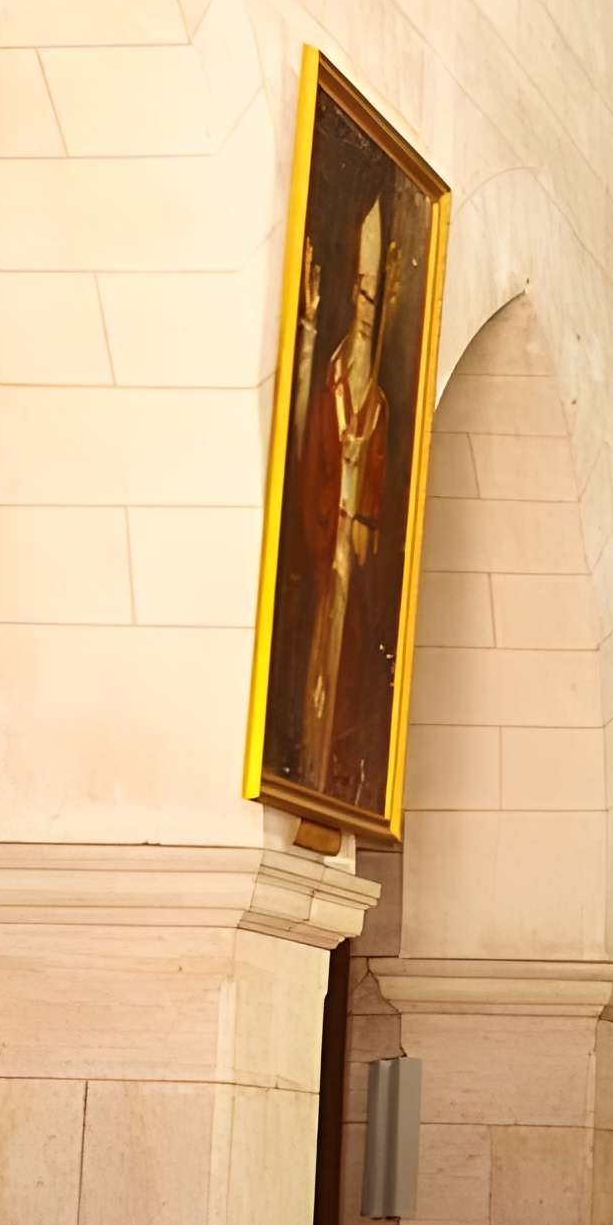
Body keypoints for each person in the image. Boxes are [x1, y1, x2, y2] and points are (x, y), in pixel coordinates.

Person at [287, 198, 400, 808]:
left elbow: (376, 523)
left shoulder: (378, 402)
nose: (363, 310)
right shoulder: (331, 376)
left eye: (373, 300)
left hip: (346, 561)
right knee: (312, 666)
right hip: (318, 546)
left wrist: (363, 519)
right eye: (359, 294)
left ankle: (333, 770)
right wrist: (306, 338)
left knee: (347, 674)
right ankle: (306, 759)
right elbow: (302, 441)